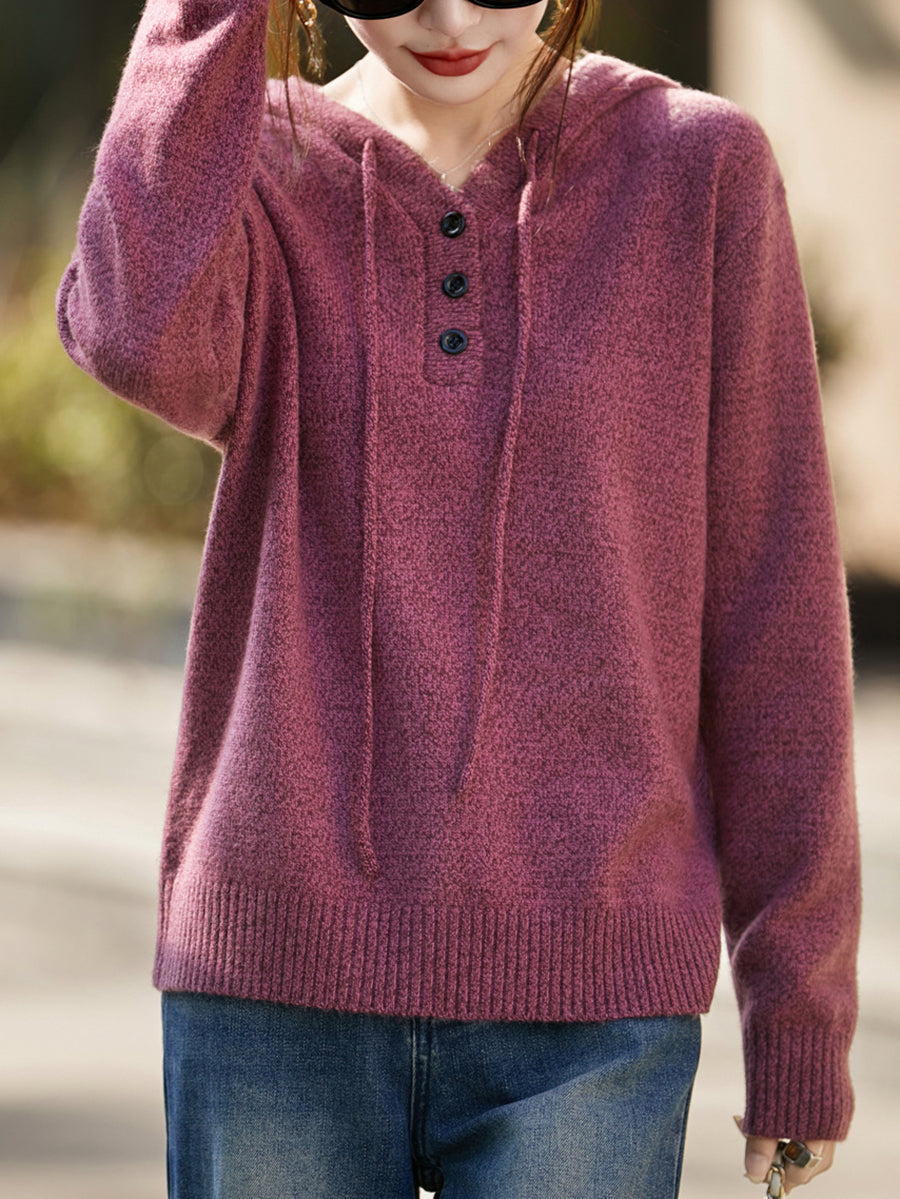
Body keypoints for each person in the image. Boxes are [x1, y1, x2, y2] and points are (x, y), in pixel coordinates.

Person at [56, 0, 861, 1195]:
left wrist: (798, 1007)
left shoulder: (697, 172)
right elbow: (131, 335)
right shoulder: (254, 169)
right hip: (279, 978)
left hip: (591, 999)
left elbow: (772, 607)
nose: (446, 15)